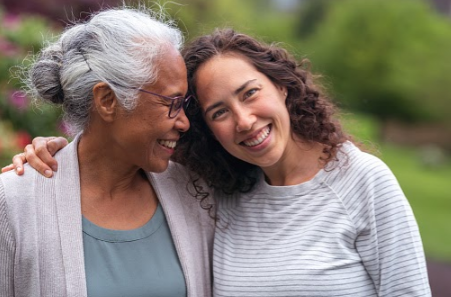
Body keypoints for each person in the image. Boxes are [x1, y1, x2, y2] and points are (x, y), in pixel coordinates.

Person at [5, 29, 431, 296]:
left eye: (249, 93)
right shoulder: (220, 190)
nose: (245, 121)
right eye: (218, 112)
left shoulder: (362, 182)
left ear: (282, 85)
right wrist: (57, 152)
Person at [0, 7, 214, 297]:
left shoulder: (195, 193)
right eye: (170, 102)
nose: (185, 122)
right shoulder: (13, 203)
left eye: (184, 102)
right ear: (107, 100)